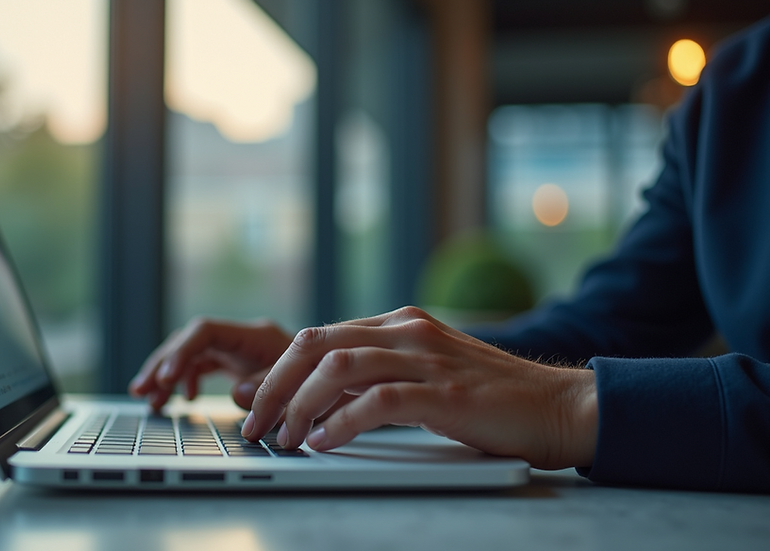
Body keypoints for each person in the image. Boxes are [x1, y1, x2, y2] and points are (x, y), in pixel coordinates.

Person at [130, 16, 770, 493]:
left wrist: (568, 406)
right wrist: (366, 363)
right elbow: (612, 322)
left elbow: (571, 377)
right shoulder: (733, 95)